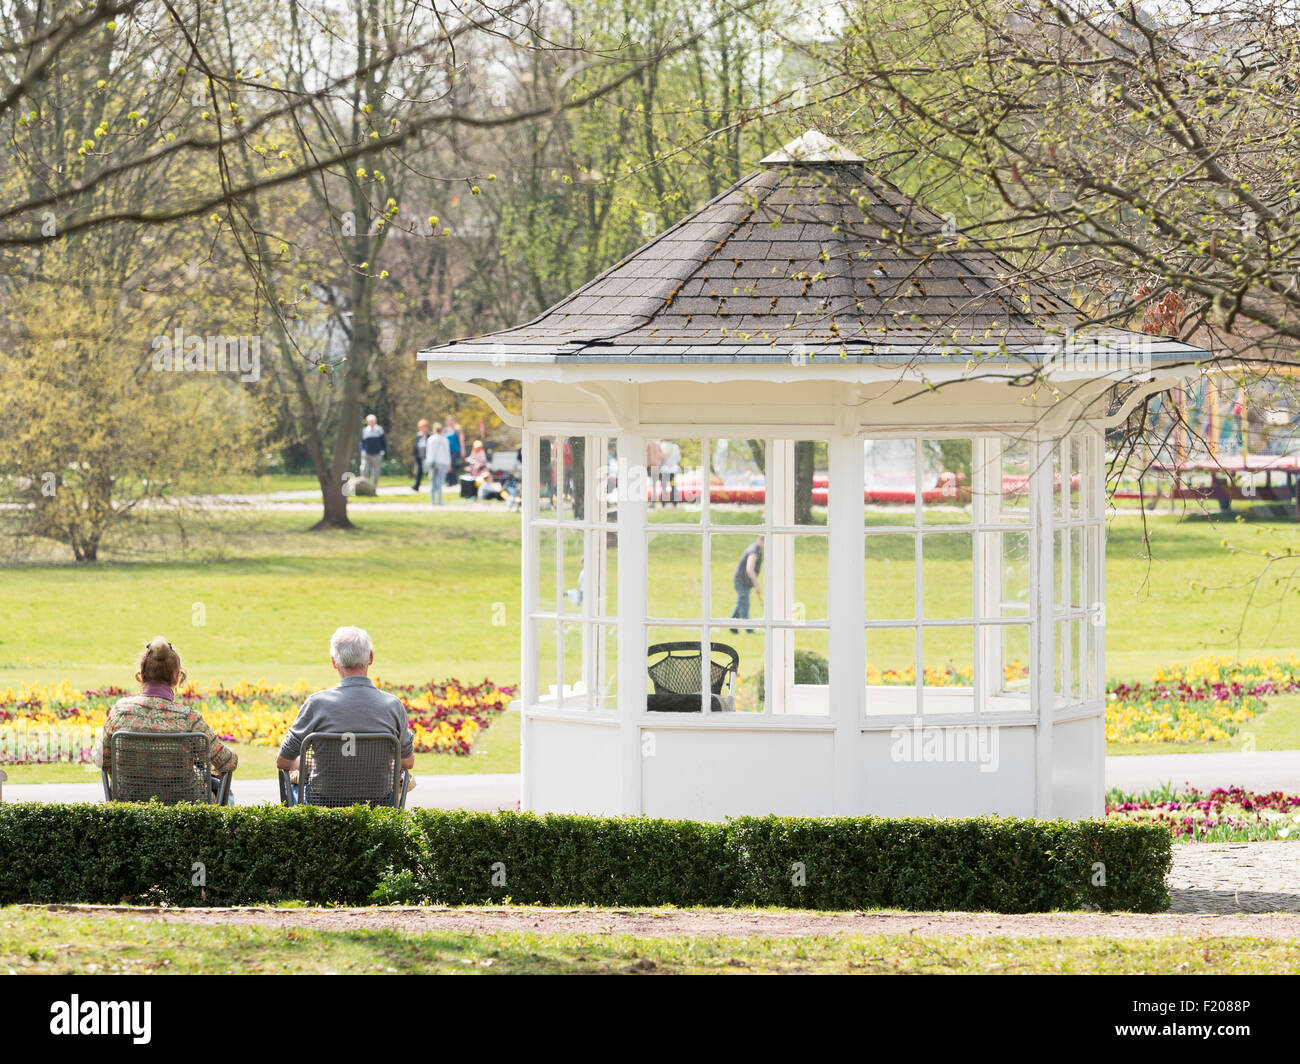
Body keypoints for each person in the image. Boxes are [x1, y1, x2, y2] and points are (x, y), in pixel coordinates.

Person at [275, 627, 414, 805]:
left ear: (334, 662)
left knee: (294, 788)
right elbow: (408, 761)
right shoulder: (393, 706)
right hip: (378, 807)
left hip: (323, 808)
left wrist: (307, 765)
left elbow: (283, 761)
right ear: (370, 658)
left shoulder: (316, 703)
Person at [94, 637, 237, 801]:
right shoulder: (188, 718)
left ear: (141, 675)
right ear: (177, 677)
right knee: (225, 793)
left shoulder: (121, 712)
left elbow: (100, 758)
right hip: (187, 809)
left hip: (129, 803)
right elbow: (228, 762)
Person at [729, 535, 764, 634]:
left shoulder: (755, 549)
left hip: (743, 582)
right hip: (741, 581)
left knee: (741, 603)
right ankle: (749, 629)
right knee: (744, 605)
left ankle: (731, 625)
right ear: (762, 541)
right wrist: (757, 585)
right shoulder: (754, 551)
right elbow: (749, 569)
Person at [425, 421, 451, 505]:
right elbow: (447, 453)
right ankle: (439, 501)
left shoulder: (430, 439)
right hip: (442, 463)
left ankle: (432, 502)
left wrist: (428, 462)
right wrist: (449, 464)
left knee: (432, 483)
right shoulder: (444, 440)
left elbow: (428, 452)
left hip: (432, 462)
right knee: (440, 483)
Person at [359, 414, 387, 485]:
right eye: (370, 421)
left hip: (377, 453)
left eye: (373, 421)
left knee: (375, 472)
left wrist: (383, 451)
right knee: (364, 469)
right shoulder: (365, 430)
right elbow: (362, 442)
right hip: (367, 453)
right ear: (367, 422)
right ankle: (364, 485)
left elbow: (383, 441)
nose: (372, 422)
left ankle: (374, 488)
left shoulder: (379, 430)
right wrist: (362, 450)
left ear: (375, 421)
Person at [411, 419, 431, 492]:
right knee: (419, 471)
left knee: (429, 471)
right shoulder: (418, 435)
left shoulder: (430, 436)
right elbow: (415, 446)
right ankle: (416, 485)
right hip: (419, 455)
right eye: (422, 427)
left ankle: (432, 485)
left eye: (425, 427)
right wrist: (413, 455)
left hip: (427, 455)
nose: (423, 429)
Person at [660, 439, 681, 506]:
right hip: (673, 471)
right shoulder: (675, 447)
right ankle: (674, 503)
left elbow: (660, 458)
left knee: (663, 487)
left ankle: (663, 503)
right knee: (673, 486)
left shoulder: (662, 446)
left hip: (664, 470)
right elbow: (678, 458)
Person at [444, 418, 464, 485]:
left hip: (455, 450)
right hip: (447, 451)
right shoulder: (445, 430)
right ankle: (449, 480)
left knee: (452, 464)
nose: (450, 422)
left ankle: (453, 481)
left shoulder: (457, 430)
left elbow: (461, 440)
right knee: (448, 465)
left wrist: (462, 450)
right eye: (449, 421)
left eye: (451, 421)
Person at [646, 438, 663, 506]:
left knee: (651, 484)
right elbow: (661, 455)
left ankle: (652, 501)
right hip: (657, 465)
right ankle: (653, 501)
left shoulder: (649, 444)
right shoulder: (658, 445)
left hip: (650, 466)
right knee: (654, 484)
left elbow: (647, 455)